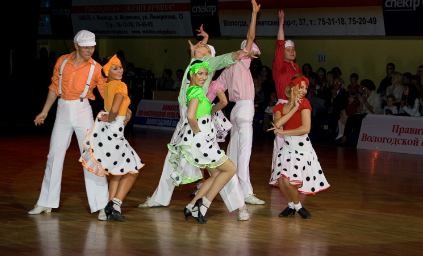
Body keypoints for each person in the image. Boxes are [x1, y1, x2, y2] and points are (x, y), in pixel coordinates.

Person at [138, 24, 258, 213]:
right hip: (185, 121)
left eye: (203, 46)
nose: (199, 45)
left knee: (218, 168)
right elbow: (196, 59)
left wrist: (239, 54)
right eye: (199, 45)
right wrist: (205, 41)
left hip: (198, 124)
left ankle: (239, 205)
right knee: (173, 159)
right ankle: (159, 198)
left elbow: (225, 58)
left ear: (209, 55)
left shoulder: (208, 64)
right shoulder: (194, 66)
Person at [28, 30, 130, 220]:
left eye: (92, 47)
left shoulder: (96, 68)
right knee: (54, 155)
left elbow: (107, 92)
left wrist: (125, 109)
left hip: (83, 111)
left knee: (92, 156)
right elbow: (53, 86)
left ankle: (102, 206)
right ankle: (46, 202)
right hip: (62, 110)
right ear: (76, 46)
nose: (90, 50)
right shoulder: (62, 61)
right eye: (86, 47)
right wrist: (45, 111)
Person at [167, 60, 238, 224]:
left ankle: (192, 206)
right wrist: (199, 133)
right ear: (191, 74)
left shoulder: (194, 91)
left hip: (205, 140)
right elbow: (191, 116)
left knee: (215, 174)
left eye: (206, 74)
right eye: (200, 73)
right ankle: (203, 205)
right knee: (230, 169)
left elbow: (202, 112)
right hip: (203, 142)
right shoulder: (196, 91)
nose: (204, 77)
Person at [80, 55, 144, 222]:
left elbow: (116, 107)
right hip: (114, 129)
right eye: (115, 68)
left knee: (117, 173)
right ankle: (115, 203)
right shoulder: (121, 85)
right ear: (107, 71)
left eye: (121, 67)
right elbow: (115, 108)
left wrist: (125, 112)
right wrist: (113, 117)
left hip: (109, 129)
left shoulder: (108, 84)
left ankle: (111, 207)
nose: (120, 70)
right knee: (133, 169)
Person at [217, 0, 264, 205]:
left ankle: (228, 187)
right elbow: (250, 35)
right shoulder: (243, 61)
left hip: (234, 111)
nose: (253, 53)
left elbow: (215, 89)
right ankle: (246, 192)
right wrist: (254, 14)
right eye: (250, 50)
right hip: (244, 108)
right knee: (244, 152)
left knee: (232, 151)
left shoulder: (228, 68)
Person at [268, 75, 330, 219]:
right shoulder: (280, 107)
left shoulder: (305, 103)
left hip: (302, 148)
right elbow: (277, 124)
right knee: (282, 181)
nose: (304, 90)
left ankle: (297, 207)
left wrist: (283, 131)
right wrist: (293, 108)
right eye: (301, 87)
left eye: (306, 88)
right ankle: (293, 206)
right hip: (287, 148)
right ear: (293, 87)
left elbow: (306, 128)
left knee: (288, 181)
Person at [269, 10, 303, 187]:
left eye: (293, 50)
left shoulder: (297, 68)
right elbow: (279, 44)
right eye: (288, 50)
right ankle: (277, 176)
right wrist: (281, 24)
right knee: (281, 141)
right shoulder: (279, 66)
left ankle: (293, 175)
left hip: (295, 107)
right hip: (283, 107)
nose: (291, 52)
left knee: (295, 141)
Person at [341, 79, 382, 143]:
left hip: (372, 115)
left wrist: (365, 102)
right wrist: (361, 103)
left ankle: (362, 139)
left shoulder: (376, 96)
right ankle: (345, 137)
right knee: (351, 118)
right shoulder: (364, 95)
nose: (362, 89)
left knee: (360, 120)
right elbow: (360, 111)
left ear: (367, 87)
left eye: (363, 87)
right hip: (363, 114)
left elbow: (374, 111)